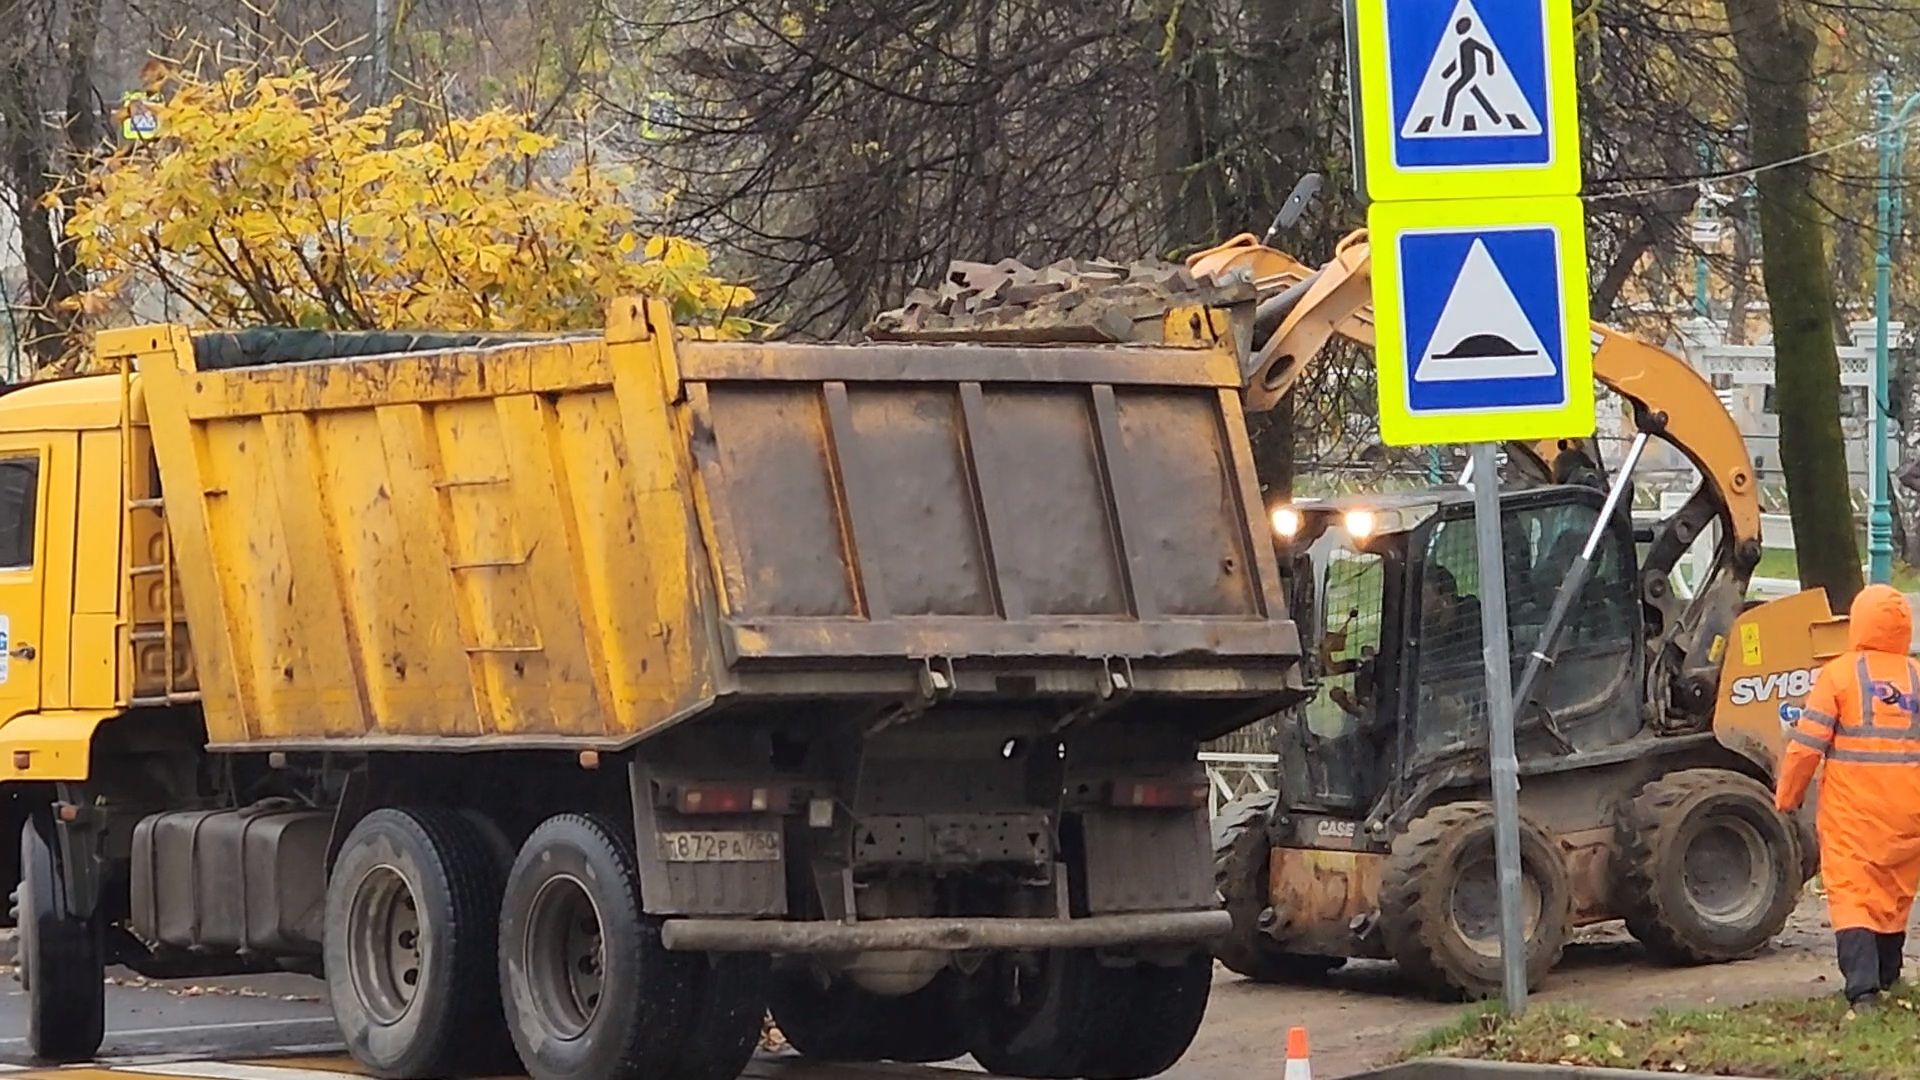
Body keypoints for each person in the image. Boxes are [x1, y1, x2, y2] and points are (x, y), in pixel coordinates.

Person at [1775, 584, 1920, 1011]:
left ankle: (1862, 989)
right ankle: (1889, 974)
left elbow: (1805, 747)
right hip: (1909, 812)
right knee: (1894, 892)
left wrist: (1786, 796)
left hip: (1853, 813)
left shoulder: (1838, 675)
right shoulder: (1915, 676)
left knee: (1854, 893)